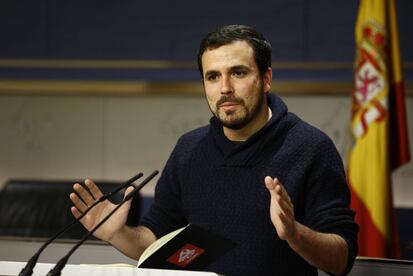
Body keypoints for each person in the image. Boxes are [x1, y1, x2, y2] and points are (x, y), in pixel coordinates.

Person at [70, 25, 358, 275]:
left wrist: (295, 234)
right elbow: (155, 242)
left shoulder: (311, 148)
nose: (225, 88)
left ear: (266, 79)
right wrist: (117, 234)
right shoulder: (189, 149)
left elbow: (341, 260)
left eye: (239, 73)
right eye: (213, 77)